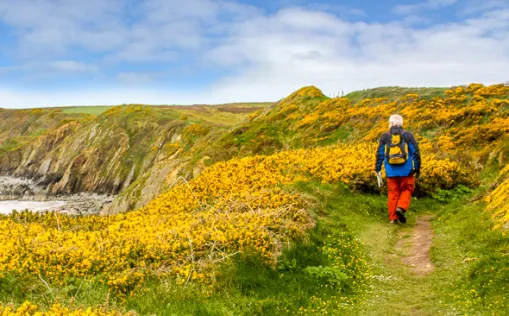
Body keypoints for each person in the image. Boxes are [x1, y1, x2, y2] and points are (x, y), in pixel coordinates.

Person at [375, 114, 421, 224]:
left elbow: (380, 154)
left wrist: (377, 168)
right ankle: (400, 208)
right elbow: (415, 152)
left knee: (393, 193)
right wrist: (417, 167)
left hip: (391, 171)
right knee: (407, 189)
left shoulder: (384, 136)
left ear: (390, 123)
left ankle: (393, 218)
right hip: (407, 171)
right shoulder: (408, 135)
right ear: (401, 124)